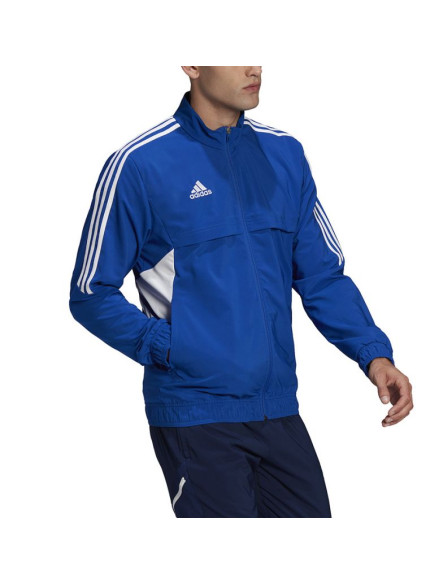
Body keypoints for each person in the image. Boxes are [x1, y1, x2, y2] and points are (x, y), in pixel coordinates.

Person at [69, 66, 413, 518]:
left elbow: (321, 276)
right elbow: (90, 292)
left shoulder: (284, 154)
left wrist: (374, 355)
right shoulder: (140, 164)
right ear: (192, 64)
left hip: (278, 408)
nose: (254, 68)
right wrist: (172, 347)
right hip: (196, 413)